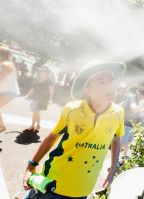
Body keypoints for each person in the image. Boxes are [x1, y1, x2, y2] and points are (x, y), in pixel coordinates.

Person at [23, 61, 126, 199]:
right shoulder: (72, 109)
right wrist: (31, 165)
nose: (109, 86)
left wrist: (112, 170)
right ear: (87, 90)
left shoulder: (119, 112)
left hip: (83, 190)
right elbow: (52, 138)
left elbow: (116, 139)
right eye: (101, 82)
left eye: (111, 81)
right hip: (52, 184)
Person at [23, 66, 54, 133]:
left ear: (47, 72)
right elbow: (33, 88)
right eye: (41, 71)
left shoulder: (49, 80)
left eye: (43, 71)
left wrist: (50, 99)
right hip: (36, 97)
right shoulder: (38, 78)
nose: (42, 72)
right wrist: (27, 95)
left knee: (36, 112)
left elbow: (51, 90)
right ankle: (33, 125)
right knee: (34, 112)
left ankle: (37, 125)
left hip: (43, 98)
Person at [0, 47, 20, 132]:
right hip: (8, 91)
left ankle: (1, 126)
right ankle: (2, 125)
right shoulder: (7, 64)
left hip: (8, 91)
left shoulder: (5, 65)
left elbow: (1, 78)